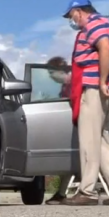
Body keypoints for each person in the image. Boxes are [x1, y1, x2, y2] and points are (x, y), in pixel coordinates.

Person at [60, 0, 109, 206]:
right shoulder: (101, 24)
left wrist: (102, 81)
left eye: (70, 15)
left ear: (78, 11)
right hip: (100, 88)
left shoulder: (94, 24)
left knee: (88, 141)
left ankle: (87, 192)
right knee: (101, 141)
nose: (71, 20)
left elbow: (104, 48)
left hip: (94, 88)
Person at [44, 56, 77, 205]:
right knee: (67, 161)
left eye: (52, 73)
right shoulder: (65, 87)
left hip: (76, 124)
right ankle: (61, 193)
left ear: (59, 71)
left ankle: (63, 193)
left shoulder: (73, 83)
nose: (51, 77)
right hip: (69, 125)